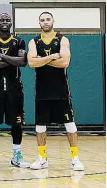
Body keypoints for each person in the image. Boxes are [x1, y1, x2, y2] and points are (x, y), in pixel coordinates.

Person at [27, 12, 84, 171]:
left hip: (61, 91)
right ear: (39, 23)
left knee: (70, 124)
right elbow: (31, 62)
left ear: (53, 21)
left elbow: (65, 61)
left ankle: (75, 159)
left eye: (48, 19)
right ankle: (42, 158)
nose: (45, 22)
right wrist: (52, 56)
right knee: (40, 126)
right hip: (42, 91)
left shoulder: (62, 39)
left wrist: (42, 60)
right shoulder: (34, 41)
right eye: (42, 20)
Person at [0, 13, 30, 169]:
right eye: (2, 20)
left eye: (7, 20)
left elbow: (23, 62)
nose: (5, 22)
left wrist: (2, 57)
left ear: (11, 23)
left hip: (14, 86)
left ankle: (16, 155)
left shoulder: (19, 41)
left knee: (16, 123)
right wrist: (12, 60)